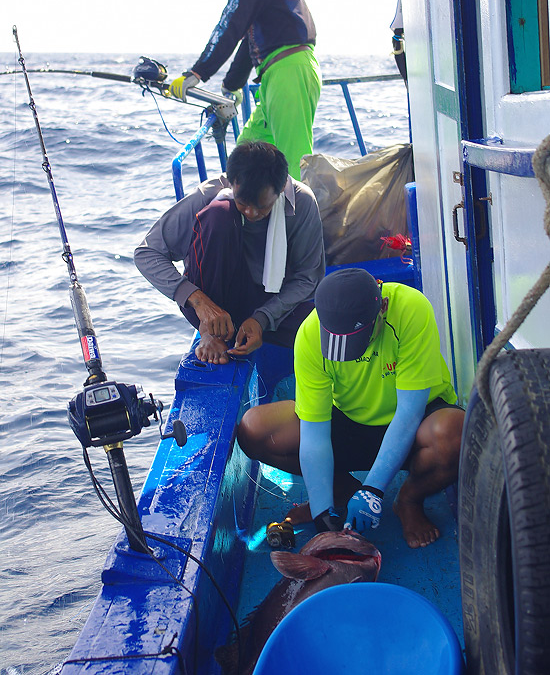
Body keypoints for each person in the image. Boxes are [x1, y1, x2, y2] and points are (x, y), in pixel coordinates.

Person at [237, 267, 465, 549]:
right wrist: (322, 515)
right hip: (348, 420)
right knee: (256, 428)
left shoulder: (411, 308)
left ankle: (408, 500)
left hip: (414, 423)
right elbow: (314, 432)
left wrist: (373, 490)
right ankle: (339, 492)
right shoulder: (309, 334)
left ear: (382, 308)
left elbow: (409, 412)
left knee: (457, 433)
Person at [134, 141, 325, 364]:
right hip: (214, 302)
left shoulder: (302, 202)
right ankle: (211, 332)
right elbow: (147, 253)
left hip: (272, 302)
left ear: (282, 186)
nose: (252, 212)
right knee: (219, 214)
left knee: (332, 332)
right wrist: (199, 302)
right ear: (232, 182)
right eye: (243, 203)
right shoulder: (210, 194)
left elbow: (307, 277)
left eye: (262, 206)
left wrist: (262, 318)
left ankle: (243, 328)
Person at [169, 0, 322, 180]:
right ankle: (252, 219)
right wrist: (232, 85)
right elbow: (248, 39)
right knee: (246, 156)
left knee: (294, 167)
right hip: (276, 75)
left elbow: (231, 24)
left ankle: (302, 221)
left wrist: (197, 73)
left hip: (290, 73)